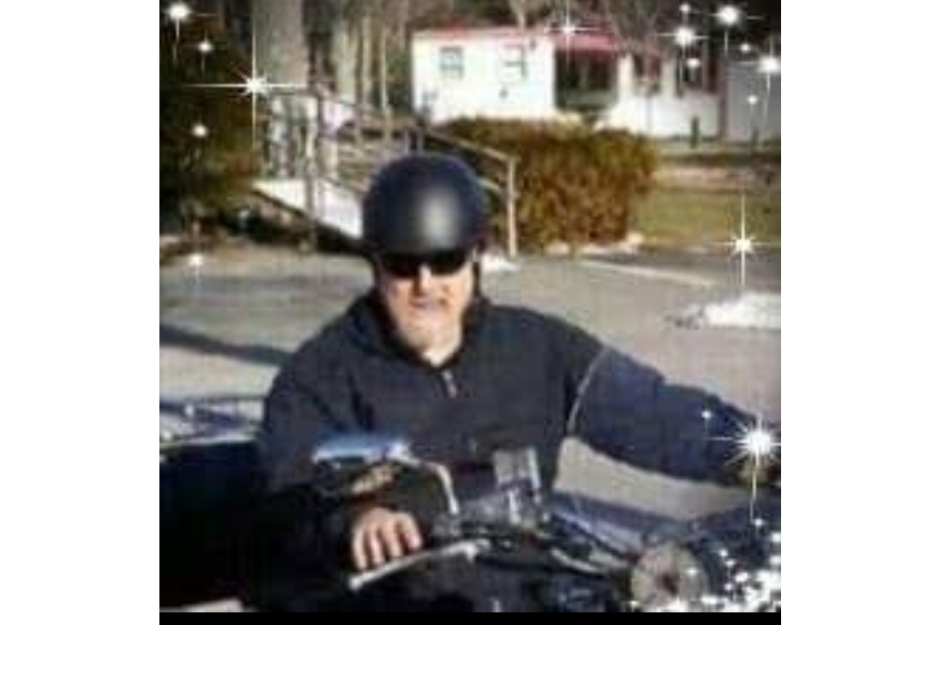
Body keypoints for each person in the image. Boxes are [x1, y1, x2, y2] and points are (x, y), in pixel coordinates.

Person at [260, 153, 777, 577]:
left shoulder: (538, 349)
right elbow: (290, 493)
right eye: (402, 264)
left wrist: (770, 456)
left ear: (475, 257)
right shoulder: (320, 375)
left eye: (445, 261)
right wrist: (355, 517)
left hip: (531, 585)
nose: (425, 284)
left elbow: (658, 416)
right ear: (374, 264)